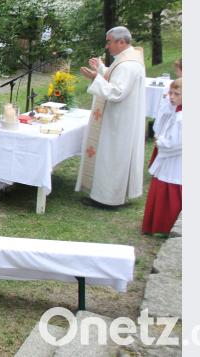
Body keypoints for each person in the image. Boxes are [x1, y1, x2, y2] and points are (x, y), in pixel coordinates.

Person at [76, 26, 146, 208]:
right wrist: (100, 69)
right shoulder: (127, 59)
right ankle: (106, 195)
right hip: (120, 117)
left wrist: (94, 78)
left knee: (111, 157)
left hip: (119, 121)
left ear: (121, 42)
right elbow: (114, 77)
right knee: (110, 156)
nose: (107, 46)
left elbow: (117, 91)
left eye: (109, 41)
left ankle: (108, 199)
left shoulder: (128, 65)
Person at [142, 78, 182, 235]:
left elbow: (176, 143)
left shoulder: (182, 117)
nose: (171, 97)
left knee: (171, 184)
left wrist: (162, 142)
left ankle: (165, 226)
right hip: (171, 158)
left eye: (176, 94)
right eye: (170, 93)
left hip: (175, 160)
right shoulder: (177, 111)